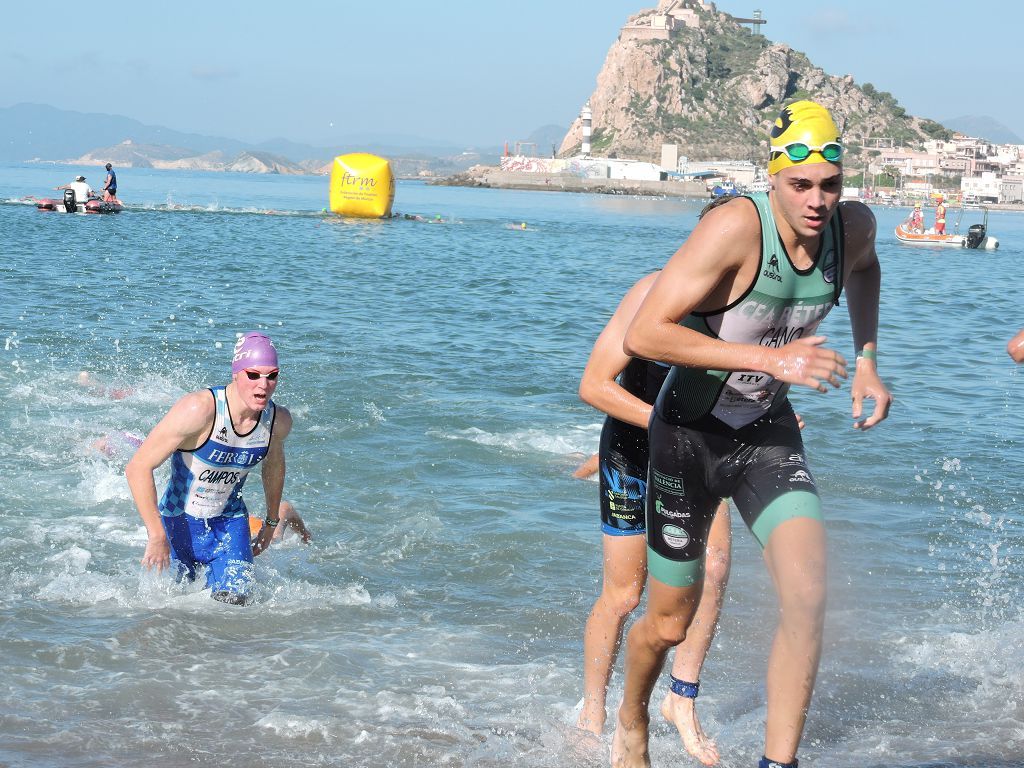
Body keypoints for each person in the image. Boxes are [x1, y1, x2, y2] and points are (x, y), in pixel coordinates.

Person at [611, 100, 892, 768]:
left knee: (808, 595)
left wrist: (868, 363)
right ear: (773, 180)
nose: (817, 200)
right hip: (686, 436)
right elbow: (644, 333)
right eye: (801, 185)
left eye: (830, 184)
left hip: (765, 434)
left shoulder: (852, 229)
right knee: (670, 622)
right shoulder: (737, 229)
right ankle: (631, 721)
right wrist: (772, 360)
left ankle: (778, 762)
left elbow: (869, 268)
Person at [578, 267, 731, 766]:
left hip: (699, 453)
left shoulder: (754, 305)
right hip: (632, 447)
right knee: (624, 596)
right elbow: (594, 386)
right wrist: (664, 426)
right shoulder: (652, 291)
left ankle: (680, 699)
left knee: (712, 568)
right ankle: (593, 713)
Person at [126, 332, 293, 605]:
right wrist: (156, 535)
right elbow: (137, 467)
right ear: (236, 374)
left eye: (272, 376)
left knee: (235, 606)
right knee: (173, 615)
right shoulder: (200, 409)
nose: (264, 385)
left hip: (230, 523)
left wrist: (271, 521)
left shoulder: (277, 421)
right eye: (253, 375)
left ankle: (284, 515)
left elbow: (273, 465)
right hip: (178, 523)